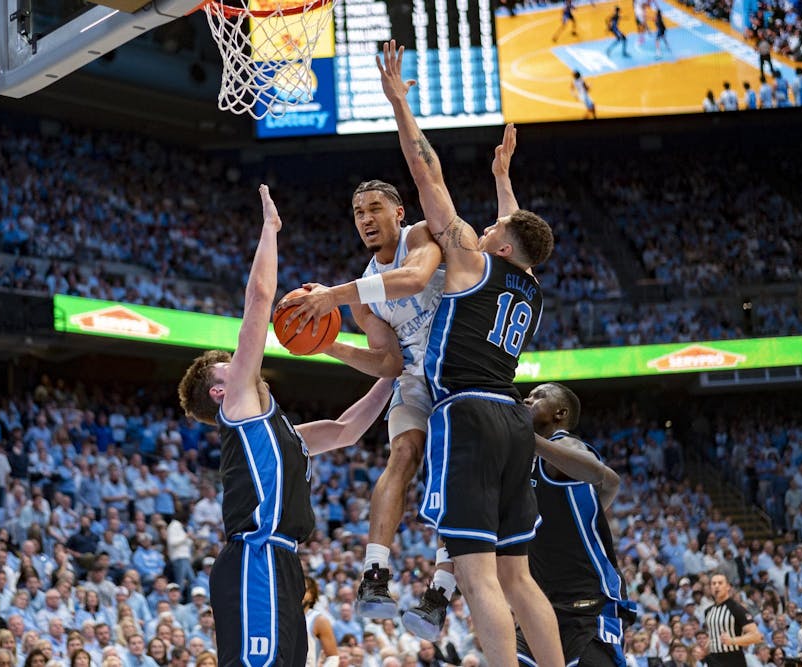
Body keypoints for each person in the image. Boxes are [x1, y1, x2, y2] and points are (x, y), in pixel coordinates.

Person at [277, 126, 522, 617]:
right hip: (414, 379)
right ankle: (374, 577)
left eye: (374, 209)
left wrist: (332, 296)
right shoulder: (363, 296)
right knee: (403, 454)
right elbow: (388, 363)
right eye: (358, 213)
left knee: (454, 477)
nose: (366, 219)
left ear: (399, 213)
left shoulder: (421, 236)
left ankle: (439, 593)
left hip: (462, 373)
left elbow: (412, 279)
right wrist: (329, 346)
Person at [377, 39, 562, 667]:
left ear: (499, 247)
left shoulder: (469, 259)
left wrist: (400, 105)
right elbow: (520, 235)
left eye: (492, 229)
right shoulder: (530, 286)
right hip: (513, 420)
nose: (482, 228)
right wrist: (503, 180)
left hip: (468, 414)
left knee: (478, 575)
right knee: (518, 577)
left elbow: (426, 174)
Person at [176, 185, 396, 667]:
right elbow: (259, 300)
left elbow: (345, 429)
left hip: (283, 562)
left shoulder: (280, 433)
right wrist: (271, 230)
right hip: (254, 556)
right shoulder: (239, 408)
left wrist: (394, 376)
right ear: (219, 392)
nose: (241, 361)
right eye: (229, 364)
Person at [515, 383, 635, 667]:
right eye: (527, 396)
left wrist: (527, 439)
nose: (528, 399)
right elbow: (613, 482)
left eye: (538, 396)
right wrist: (579, 513)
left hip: (587, 606)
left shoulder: (564, 443)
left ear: (560, 413)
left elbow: (595, 471)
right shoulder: (527, 460)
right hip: (542, 604)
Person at [704, 574, 764, 667]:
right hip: (713, 660)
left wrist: (733, 640)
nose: (716, 586)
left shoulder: (736, 609)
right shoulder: (708, 611)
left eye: (720, 583)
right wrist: (705, 650)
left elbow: (756, 636)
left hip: (732, 659)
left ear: (728, 587)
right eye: (713, 583)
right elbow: (713, 635)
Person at [305, 576, 339, 667]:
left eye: (304, 590)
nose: (299, 593)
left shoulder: (319, 620)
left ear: (312, 596)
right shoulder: (282, 618)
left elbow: (333, 657)